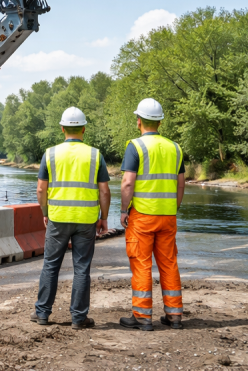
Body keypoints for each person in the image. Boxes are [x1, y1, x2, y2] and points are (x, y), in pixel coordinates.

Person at [31, 107, 111, 330]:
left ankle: (42, 314)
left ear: (62, 128)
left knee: (50, 265)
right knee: (82, 268)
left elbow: (40, 189)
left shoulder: (50, 154)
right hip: (86, 220)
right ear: (84, 129)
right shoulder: (95, 155)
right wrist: (103, 217)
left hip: (58, 218)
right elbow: (104, 191)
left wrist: (45, 212)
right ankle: (78, 318)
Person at [119, 98, 186, 332]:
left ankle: (142, 316)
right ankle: (174, 315)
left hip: (142, 216)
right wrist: (173, 208)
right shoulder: (175, 148)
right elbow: (180, 184)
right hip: (168, 216)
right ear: (160, 122)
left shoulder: (135, 146)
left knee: (141, 265)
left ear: (139, 121)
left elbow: (128, 183)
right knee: (169, 264)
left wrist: (123, 210)